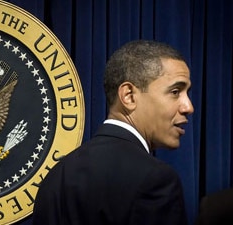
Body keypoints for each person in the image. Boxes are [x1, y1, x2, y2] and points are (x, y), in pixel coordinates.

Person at [32, 40, 194, 225]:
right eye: (175, 91)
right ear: (129, 96)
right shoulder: (155, 180)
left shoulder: (56, 177)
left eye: (187, 93)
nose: (188, 107)